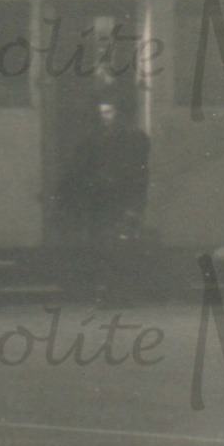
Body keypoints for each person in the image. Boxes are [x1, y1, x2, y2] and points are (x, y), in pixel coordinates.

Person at [60, 100, 150, 304]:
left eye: (108, 111)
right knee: (105, 247)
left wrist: (133, 204)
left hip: (119, 199)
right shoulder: (96, 137)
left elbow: (138, 173)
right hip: (101, 200)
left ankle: (118, 294)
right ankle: (110, 293)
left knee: (116, 248)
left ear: (118, 113)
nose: (104, 116)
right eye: (101, 112)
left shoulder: (132, 137)